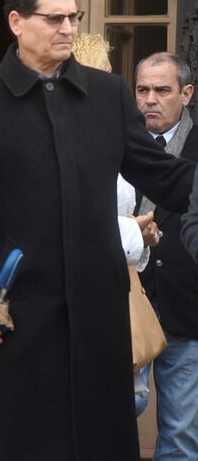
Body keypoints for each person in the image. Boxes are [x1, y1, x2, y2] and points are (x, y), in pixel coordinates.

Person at [0, 0, 195, 460]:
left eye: (73, 17)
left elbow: (162, 174)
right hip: (20, 323)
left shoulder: (108, 94)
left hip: (100, 321)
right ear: (16, 22)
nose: (69, 28)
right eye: (54, 19)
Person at [72, 34, 164, 416]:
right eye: (106, 74)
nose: (115, 85)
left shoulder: (110, 131)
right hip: (84, 291)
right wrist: (133, 232)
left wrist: (141, 234)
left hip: (121, 284)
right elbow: (77, 220)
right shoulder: (70, 139)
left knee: (131, 398)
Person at [133, 52, 198, 460]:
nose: (150, 99)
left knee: (181, 434)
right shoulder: (115, 143)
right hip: (124, 300)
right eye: (142, 90)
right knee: (116, 413)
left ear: (186, 93)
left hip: (187, 307)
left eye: (162, 90)